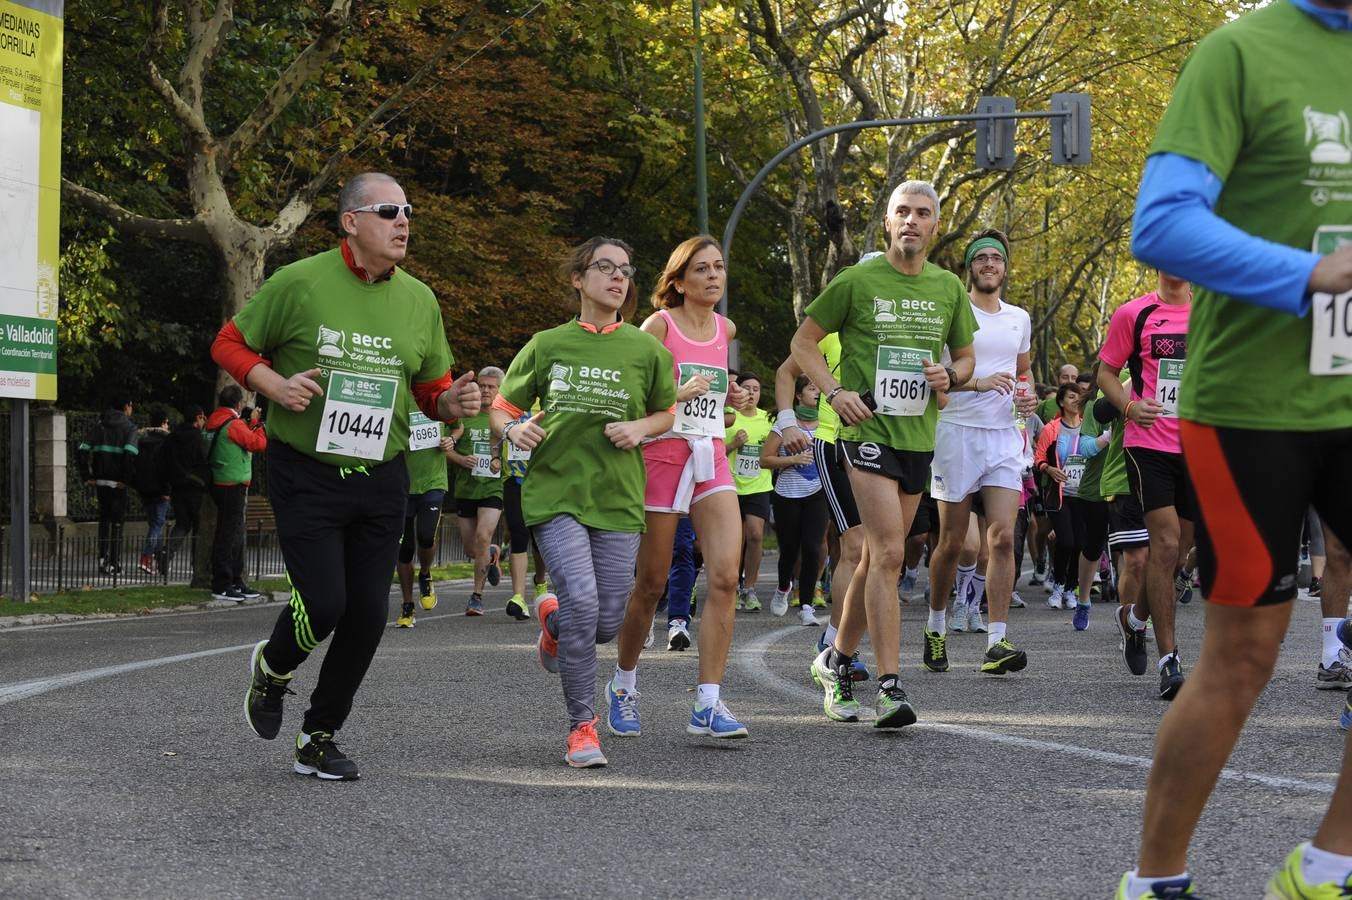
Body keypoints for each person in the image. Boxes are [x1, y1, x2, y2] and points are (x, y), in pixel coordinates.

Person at [1119, 2, 1352, 895]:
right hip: (1250, 408)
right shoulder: (1240, 52)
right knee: (1247, 654)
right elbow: (1163, 225)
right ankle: (1155, 880)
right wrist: (1304, 273)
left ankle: (1325, 866)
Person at [213, 171, 480, 781]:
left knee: (368, 614)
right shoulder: (299, 282)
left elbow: (430, 388)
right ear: (351, 222)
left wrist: (451, 402)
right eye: (389, 211)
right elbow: (229, 343)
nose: (404, 221)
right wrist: (273, 384)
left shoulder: (420, 299)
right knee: (327, 603)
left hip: (385, 473)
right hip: (306, 470)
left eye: (408, 210)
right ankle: (272, 671)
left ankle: (319, 736)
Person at [796, 179, 977, 728]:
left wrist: (953, 374)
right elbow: (803, 344)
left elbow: (966, 360)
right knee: (890, 553)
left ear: (934, 226)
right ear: (889, 223)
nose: (912, 222)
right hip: (865, 433)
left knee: (878, 559)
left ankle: (836, 661)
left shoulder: (948, 288)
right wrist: (835, 392)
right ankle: (891, 686)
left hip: (918, 437)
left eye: (923, 213)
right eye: (903, 212)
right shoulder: (857, 280)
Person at [490, 236, 675, 768]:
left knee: (604, 623)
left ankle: (552, 625)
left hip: (618, 498)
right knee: (585, 604)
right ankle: (581, 727)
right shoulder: (547, 344)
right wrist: (513, 431)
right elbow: (502, 408)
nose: (618, 278)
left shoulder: (647, 351)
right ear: (578, 279)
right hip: (556, 494)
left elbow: (666, 413)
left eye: (625, 270)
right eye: (604, 268)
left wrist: (641, 426)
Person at [608, 235, 752, 742]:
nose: (713, 276)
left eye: (719, 268)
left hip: (710, 455)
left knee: (724, 578)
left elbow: (717, 395)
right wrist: (677, 393)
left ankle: (708, 704)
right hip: (663, 457)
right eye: (702, 269)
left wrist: (727, 395)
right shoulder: (657, 326)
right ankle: (623, 682)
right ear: (678, 280)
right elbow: (632, 398)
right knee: (650, 586)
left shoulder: (725, 328)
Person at [921, 229, 1036, 677]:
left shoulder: (1018, 318)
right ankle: (935, 626)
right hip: (957, 433)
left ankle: (996, 640)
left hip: (1005, 435)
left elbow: (1023, 371)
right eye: (981, 258)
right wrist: (976, 383)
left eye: (996, 258)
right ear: (970, 267)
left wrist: (1025, 397)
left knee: (1003, 537)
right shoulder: (954, 309)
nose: (990, 264)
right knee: (952, 543)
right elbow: (936, 375)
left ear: (1005, 268)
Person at [1097, 271, 1194, 700]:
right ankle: (1168, 661)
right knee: (1166, 545)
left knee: (1178, 557)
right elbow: (1105, 374)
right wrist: (1130, 407)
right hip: (1148, 445)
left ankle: (1134, 619)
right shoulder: (1133, 313)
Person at [761, 375, 827, 626]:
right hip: (786, 493)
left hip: (817, 493)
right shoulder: (784, 426)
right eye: (812, 389)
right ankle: (782, 588)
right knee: (789, 550)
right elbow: (764, 460)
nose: (817, 393)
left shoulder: (827, 426)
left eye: (819, 389)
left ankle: (807, 605)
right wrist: (792, 460)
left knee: (812, 548)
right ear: (798, 395)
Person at [446, 367, 506, 615]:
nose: (485, 390)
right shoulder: (463, 415)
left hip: (493, 487)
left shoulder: (504, 418)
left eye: (491, 387)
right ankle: (491, 553)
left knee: (483, 535)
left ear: (500, 390)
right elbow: (446, 448)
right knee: (473, 549)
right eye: (482, 385)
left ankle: (476, 596)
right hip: (466, 487)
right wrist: (461, 459)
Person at [205, 386, 267, 602]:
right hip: (232, 484)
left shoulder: (217, 419)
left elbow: (239, 440)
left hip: (220, 481)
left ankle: (234, 581)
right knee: (228, 534)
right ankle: (223, 584)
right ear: (239, 403)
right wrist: (257, 423)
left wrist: (249, 424)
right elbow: (257, 443)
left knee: (232, 532)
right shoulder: (233, 423)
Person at [393, 396, 450, 628]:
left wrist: (450, 440)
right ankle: (408, 606)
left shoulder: (438, 398)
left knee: (426, 535)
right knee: (404, 550)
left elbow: (458, 426)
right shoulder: (399, 398)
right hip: (403, 485)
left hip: (433, 482)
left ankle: (425, 573)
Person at [725, 372, 774, 612]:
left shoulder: (768, 420)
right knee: (736, 539)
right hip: (731, 485)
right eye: (747, 388)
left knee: (755, 535)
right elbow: (715, 453)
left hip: (758, 485)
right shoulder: (728, 418)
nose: (752, 393)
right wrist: (733, 445)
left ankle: (750, 588)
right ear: (738, 391)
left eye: (756, 388)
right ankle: (732, 585)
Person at [76, 398, 138, 575]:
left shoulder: (100, 425)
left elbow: (82, 449)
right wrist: (126, 479)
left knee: (104, 519)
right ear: (127, 406)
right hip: (118, 483)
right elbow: (129, 455)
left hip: (100, 480)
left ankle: (102, 558)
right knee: (117, 523)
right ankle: (115, 563)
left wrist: (86, 476)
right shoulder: (130, 428)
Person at [500, 406, 549, 622]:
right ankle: (518, 596)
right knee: (519, 534)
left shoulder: (547, 403)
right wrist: (494, 457)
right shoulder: (507, 405)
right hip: (514, 478)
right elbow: (497, 432)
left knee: (539, 540)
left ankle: (540, 581)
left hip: (542, 479)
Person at [162, 404, 210, 572]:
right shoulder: (199, 438)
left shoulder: (172, 437)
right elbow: (205, 461)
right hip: (196, 487)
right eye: (203, 418)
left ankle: (166, 554)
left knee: (182, 524)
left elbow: (163, 461)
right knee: (198, 525)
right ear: (198, 418)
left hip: (177, 486)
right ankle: (197, 564)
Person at [133, 405, 172, 576]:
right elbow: (165, 468)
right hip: (160, 489)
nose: (168, 427)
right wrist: (167, 489)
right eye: (167, 423)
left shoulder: (141, 440)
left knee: (154, 524)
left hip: (144, 489)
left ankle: (158, 560)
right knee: (157, 525)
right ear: (163, 423)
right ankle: (146, 558)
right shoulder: (166, 442)